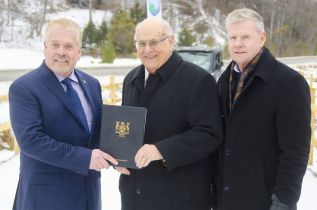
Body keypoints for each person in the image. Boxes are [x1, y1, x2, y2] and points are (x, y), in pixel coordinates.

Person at [9, 18, 118, 210]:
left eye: (68, 46)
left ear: (78, 52)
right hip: (46, 198)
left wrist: (118, 156)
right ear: (45, 47)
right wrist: (86, 158)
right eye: (55, 45)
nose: (61, 51)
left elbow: (98, 133)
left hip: (88, 194)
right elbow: (31, 141)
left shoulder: (92, 84)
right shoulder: (24, 88)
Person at [115, 17, 222, 210]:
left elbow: (209, 134)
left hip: (178, 197)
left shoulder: (198, 80)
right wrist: (119, 157)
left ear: (171, 41)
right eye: (141, 43)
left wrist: (161, 150)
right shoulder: (130, 79)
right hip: (134, 196)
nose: (147, 50)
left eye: (154, 42)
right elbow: (128, 128)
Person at [216, 8, 311, 210]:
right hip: (227, 198)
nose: (238, 43)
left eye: (245, 37)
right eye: (233, 37)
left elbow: (295, 152)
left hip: (265, 201)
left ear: (261, 38)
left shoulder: (289, 83)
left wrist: (283, 201)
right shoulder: (224, 82)